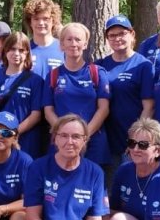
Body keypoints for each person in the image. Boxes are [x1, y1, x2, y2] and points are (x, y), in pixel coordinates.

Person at [42, 23, 111, 166]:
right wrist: (65, 136)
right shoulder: (53, 75)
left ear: (85, 44)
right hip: (62, 144)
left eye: (78, 40)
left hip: (93, 143)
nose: (74, 43)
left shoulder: (97, 72)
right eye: (69, 39)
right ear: (61, 45)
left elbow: (103, 109)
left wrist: (83, 137)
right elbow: (48, 111)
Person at [99, 15, 155, 171]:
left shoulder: (143, 65)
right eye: (112, 35)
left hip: (131, 143)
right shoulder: (100, 65)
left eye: (122, 33)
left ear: (132, 35)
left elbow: (149, 107)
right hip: (106, 141)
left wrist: (135, 141)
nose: (117, 38)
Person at [0, 32, 44, 156]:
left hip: (27, 141)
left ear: (27, 53)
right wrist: (1, 135)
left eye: (21, 50)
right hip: (0, 141)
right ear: (5, 51)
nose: (16, 54)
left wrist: (13, 134)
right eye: (12, 49)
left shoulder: (36, 80)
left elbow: (36, 115)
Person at [22, 0, 65, 77]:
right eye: (36, 19)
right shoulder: (23, 50)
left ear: (53, 21)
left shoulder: (64, 49)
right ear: (30, 22)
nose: (41, 23)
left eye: (45, 18)